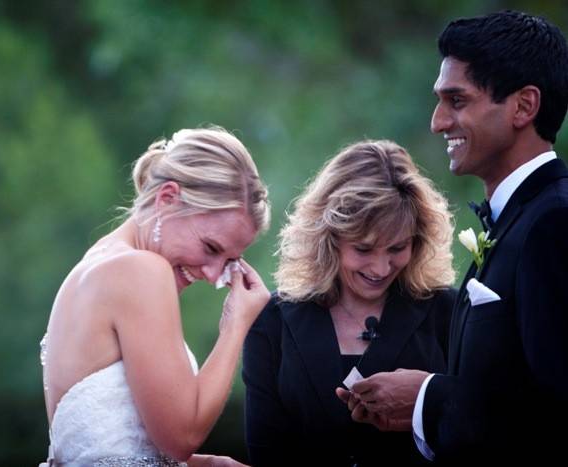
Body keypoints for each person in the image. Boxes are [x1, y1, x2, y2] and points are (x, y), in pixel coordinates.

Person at [339, 10, 568, 465]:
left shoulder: (554, 223)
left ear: (524, 106)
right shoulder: (517, 220)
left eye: (457, 101)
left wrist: (426, 398)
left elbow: (555, 415)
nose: (438, 122)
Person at [39, 126, 271, 466]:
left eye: (229, 262)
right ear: (167, 199)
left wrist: (210, 463)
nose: (212, 275)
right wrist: (236, 326)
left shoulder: (102, 262)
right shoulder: (140, 271)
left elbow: (106, 451)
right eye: (210, 247)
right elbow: (181, 438)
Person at [242, 140, 456, 466]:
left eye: (397, 248)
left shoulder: (449, 313)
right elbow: (265, 451)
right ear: (329, 239)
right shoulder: (272, 321)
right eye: (364, 249)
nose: (381, 268)